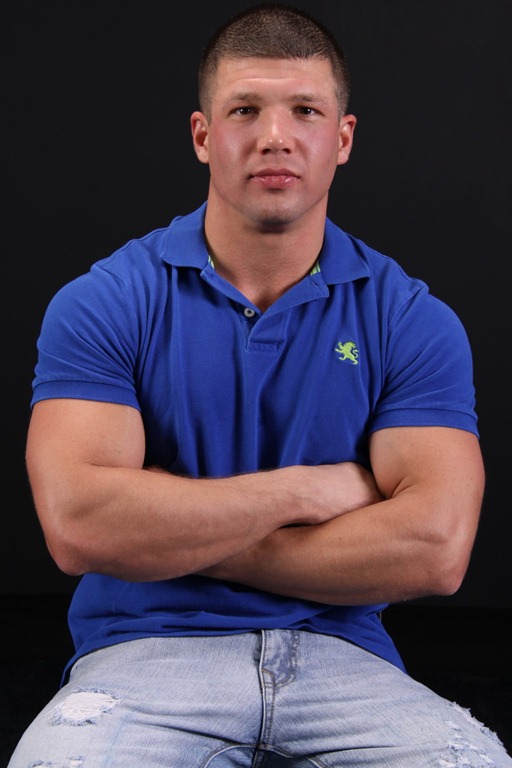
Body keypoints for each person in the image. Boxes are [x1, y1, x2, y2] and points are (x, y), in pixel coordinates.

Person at [8, 3, 511, 766]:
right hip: (146, 654)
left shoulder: (410, 318)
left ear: (342, 138)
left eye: (305, 110)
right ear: (203, 136)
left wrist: (169, 531)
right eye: (244, 109)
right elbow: (80, 526)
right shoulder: (106, 300)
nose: (275, 135)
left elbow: (436, 548)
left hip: (344, 657)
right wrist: (309, 492)